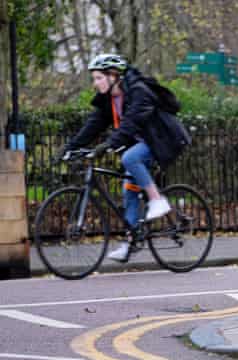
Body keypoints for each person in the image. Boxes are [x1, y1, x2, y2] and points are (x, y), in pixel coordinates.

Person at [62, 54, 175, 262]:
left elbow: (131, 122)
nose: (95, 83)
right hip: (138, 144)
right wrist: (70, 148)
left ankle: (158, 200)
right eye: (94, 79)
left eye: (98, 78)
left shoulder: (138, 91)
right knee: (129, 191)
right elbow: (93, 124)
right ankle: (130, 243)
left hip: (159, 142)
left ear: (113, 75)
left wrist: (109, 144)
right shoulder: (109, 100)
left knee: (130, 159)